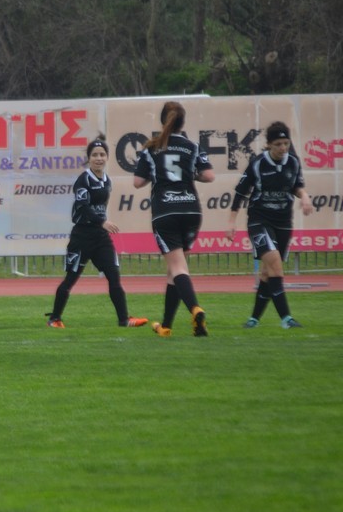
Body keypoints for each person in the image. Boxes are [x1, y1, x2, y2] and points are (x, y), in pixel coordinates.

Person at [46, 136, 149, 329]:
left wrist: (102, 223)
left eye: (102, 154)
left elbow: (101, 206)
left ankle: (124, 319)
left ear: (107, 157)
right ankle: (55, 319)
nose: (99, 158)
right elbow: (83, 207)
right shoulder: (83, 180)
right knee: (70, 279)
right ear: (89, 158)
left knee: (114, 276)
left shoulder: (107, 180)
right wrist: (102, 221)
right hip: (82, 237)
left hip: (100, 237)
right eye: (94, 155)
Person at [133, 101, 215, 337]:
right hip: (191, 210)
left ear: (163, 121)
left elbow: (137, 182)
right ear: (183, 123)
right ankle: (166, 326)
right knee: (175, 271)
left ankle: (195, 309)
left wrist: (156, 174)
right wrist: (190, 175)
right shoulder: (192, 146)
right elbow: (209, 175)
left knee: (177, 268)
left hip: (166, 211)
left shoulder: (152, 148)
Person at [226, 121, 313, 329]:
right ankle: (286, 319)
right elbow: (240, 192)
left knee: (267, 273)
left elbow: (297, 186)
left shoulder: (293, 162)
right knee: (275, 265)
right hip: (259, 221)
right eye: (278, 144)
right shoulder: (258, 163)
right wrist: (231, 221)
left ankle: (254, 319)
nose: (283, 148)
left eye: (286, 143)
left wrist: (304, 196)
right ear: (269, 145)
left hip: (283, 222)